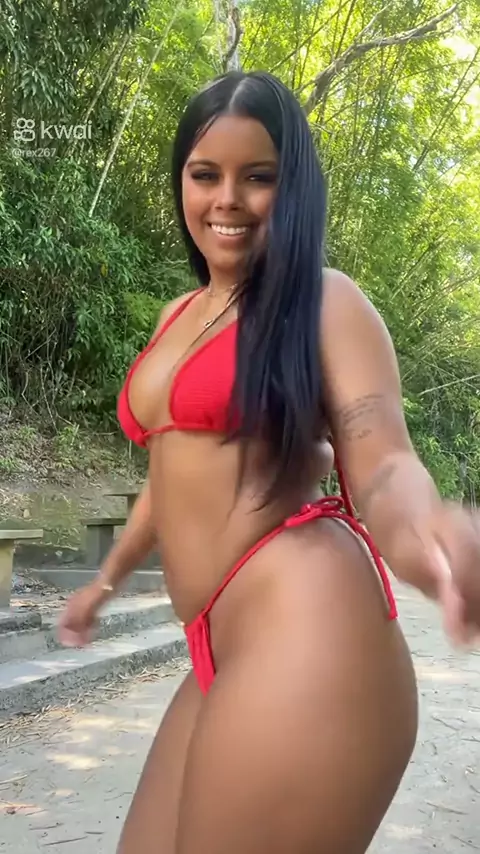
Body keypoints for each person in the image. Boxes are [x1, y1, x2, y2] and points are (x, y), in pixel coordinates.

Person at [59, 70, 480, 854]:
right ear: (181, 181)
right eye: (205, 174)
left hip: (310, 629)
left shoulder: (327, 301)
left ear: (294, 190)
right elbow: (170, 477)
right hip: (222, 646)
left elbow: (382, 457)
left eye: (258, 177)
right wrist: (104, 583)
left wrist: (430, 529)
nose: (227, 199)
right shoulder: (177, 316)